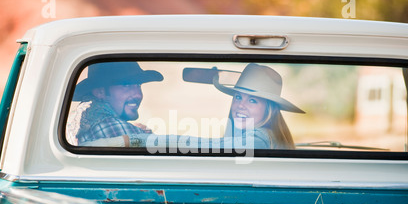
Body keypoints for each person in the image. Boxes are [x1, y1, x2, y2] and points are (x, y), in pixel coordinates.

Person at [80, 63, 304, 150]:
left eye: (252, 100)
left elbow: (207, 146)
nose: (240, 106)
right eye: (238, 97)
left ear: (270, 109)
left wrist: (131, 139)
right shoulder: (261, 137)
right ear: (100, 92)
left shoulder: (260, 140)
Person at [71, 61, 163, 145]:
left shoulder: (83, 120)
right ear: (100, 92)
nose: (138, 95)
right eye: (126, 85)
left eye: (138, 85)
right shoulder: (109, 126)